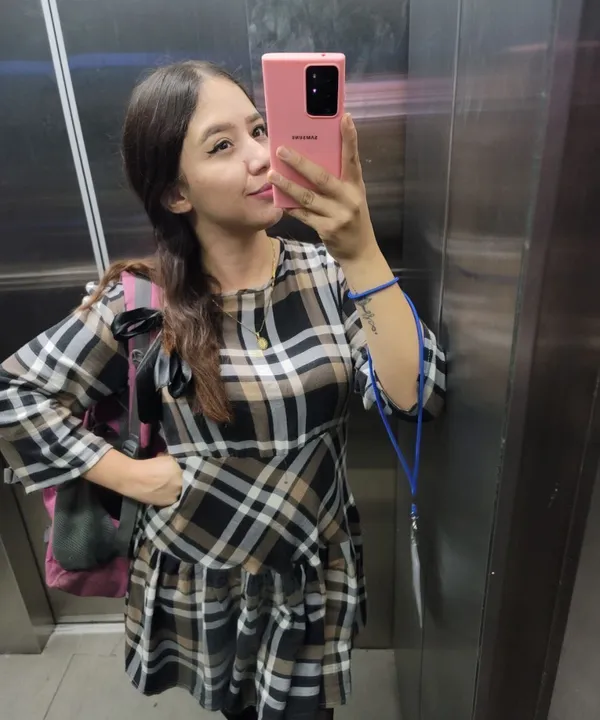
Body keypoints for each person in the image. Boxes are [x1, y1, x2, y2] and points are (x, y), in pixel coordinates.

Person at [0, 61, 445, 720]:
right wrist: (132, 476)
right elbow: (15, 393)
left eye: (259, 130)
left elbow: (418, 396)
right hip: (205, 575)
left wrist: (361, 253)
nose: (263, 156)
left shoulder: (329, 274)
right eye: (223, 146)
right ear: (177, 193)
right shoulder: (143, 301)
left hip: (307, 566)